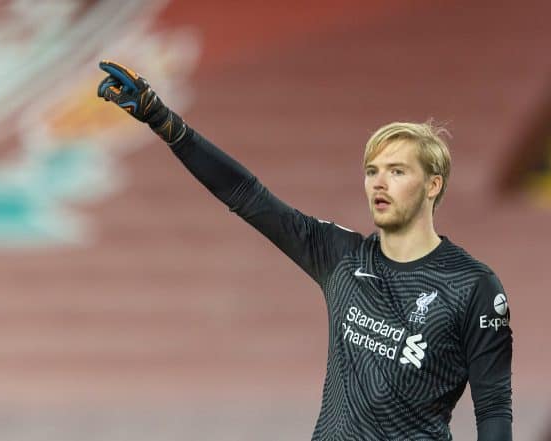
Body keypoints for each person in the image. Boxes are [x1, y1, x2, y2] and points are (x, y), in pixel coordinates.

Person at [97, 60, 513, 440]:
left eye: (397, 171)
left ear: (432, 185)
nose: (378, 183)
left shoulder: (472, 286)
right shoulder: (340, 255)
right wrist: (165, 123)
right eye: (372, 171)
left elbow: (493, 410)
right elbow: (247, 195)